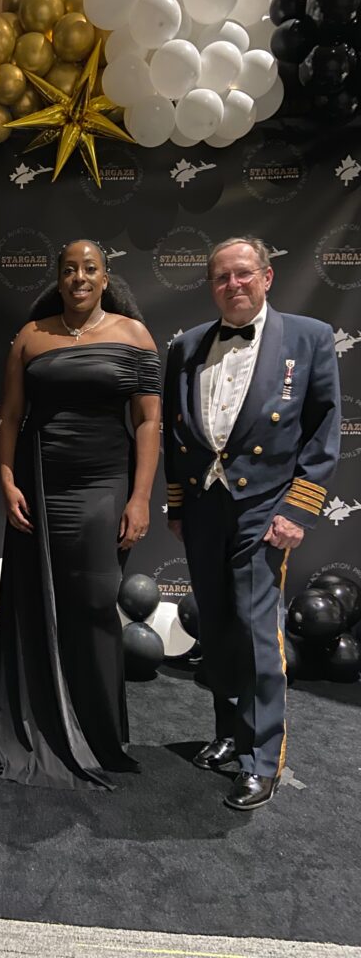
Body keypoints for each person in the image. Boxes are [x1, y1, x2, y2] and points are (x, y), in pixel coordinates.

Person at [163, 236, 340, 811]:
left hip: (265, 507)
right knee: (215, 626)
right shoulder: (187, 346)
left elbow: (323, 428)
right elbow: (174, 430)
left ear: (266, 277)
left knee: (260, 631)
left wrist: (298, 508)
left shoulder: (308, 337)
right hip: (204, 506)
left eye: (243, 275)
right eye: (221, 278)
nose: (233, 285)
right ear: (210, 285)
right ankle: (229, 734)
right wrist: (177, 503)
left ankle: (263, 759)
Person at [0, 240, 161, 789]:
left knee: (95, 601)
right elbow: (9, 416)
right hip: (38, 484)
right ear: (58, 279)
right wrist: (7, 480)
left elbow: (149, 421)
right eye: (69, 270)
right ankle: (37, 721)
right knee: (35, 601)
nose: (79, 277)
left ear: (106, 278)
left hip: (104, 485)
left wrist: (140, 496)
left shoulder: (134, 336)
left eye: (90, 269)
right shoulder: (32, 338)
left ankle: (98, 732)